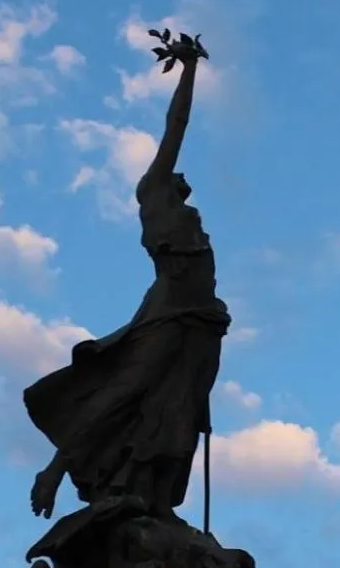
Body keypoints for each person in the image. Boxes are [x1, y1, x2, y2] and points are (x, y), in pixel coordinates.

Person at [23, 31, 229, 526]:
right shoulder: (155, 191)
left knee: (177, 411)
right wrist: (191, 71)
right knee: (127, 391)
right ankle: (55, 469)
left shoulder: (187, 213)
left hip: (202, 323)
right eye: (179, 175)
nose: (186, 179)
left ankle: (149, 496)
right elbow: (175, 129)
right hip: (169, 311)